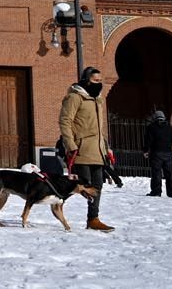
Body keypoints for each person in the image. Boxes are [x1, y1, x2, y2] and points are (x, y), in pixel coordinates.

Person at [59, 66, 114, 232]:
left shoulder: (97, 100)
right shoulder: (75, 97)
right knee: (78, 186)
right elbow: (65, 121)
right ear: (86, 80)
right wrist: (70, 145)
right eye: (95, 80)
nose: (98, 83)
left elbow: (98, 128)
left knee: (97, 187)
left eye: (100, 80)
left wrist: (106, 148)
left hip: (97, 151)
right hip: (80, 150)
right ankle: (56, 202)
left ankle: (93, 219)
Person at [144, 110, 172, 198]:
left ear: (155, 117)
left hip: (156, 153)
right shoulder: (170, 128)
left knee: (156, 173)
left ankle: (156, 191)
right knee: (169, 173)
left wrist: (146, 150)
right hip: (167, 153)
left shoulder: (151, 127)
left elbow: (148, 141)